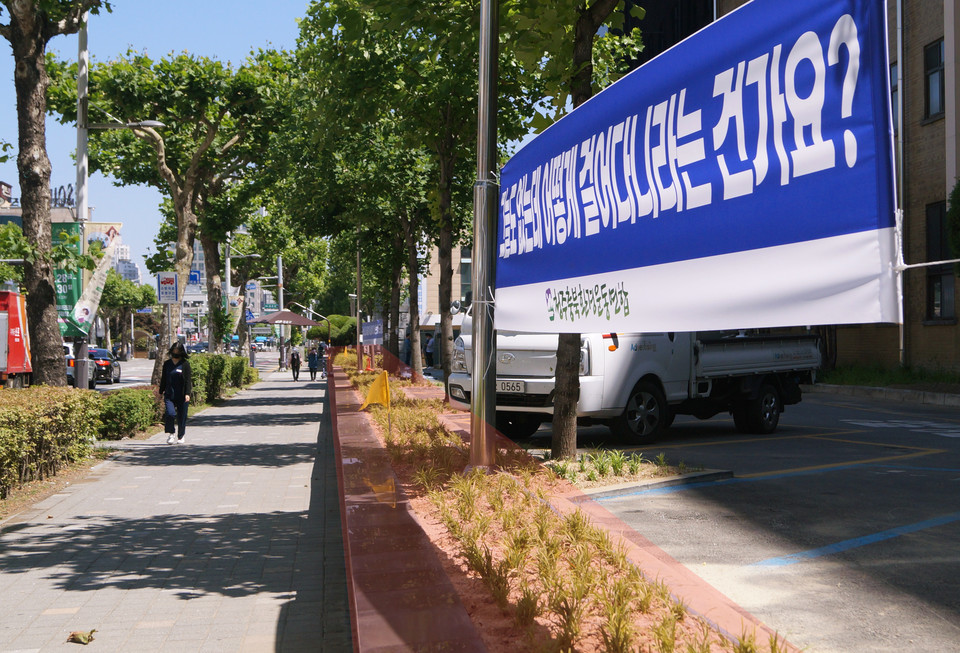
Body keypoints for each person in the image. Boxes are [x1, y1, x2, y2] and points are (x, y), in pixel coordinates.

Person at [159, 341, 193, 445]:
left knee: (182, 416)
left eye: (177, 351)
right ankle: (171, 433)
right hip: (170, 394)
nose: (175, 353)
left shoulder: (185, 364)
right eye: (174, 351)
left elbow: (188, 380)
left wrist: (188, 393)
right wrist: (161, 391)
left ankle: (181, 436)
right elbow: (164, 378)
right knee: (170, 413)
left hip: (182, 395)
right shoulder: (167, 364)